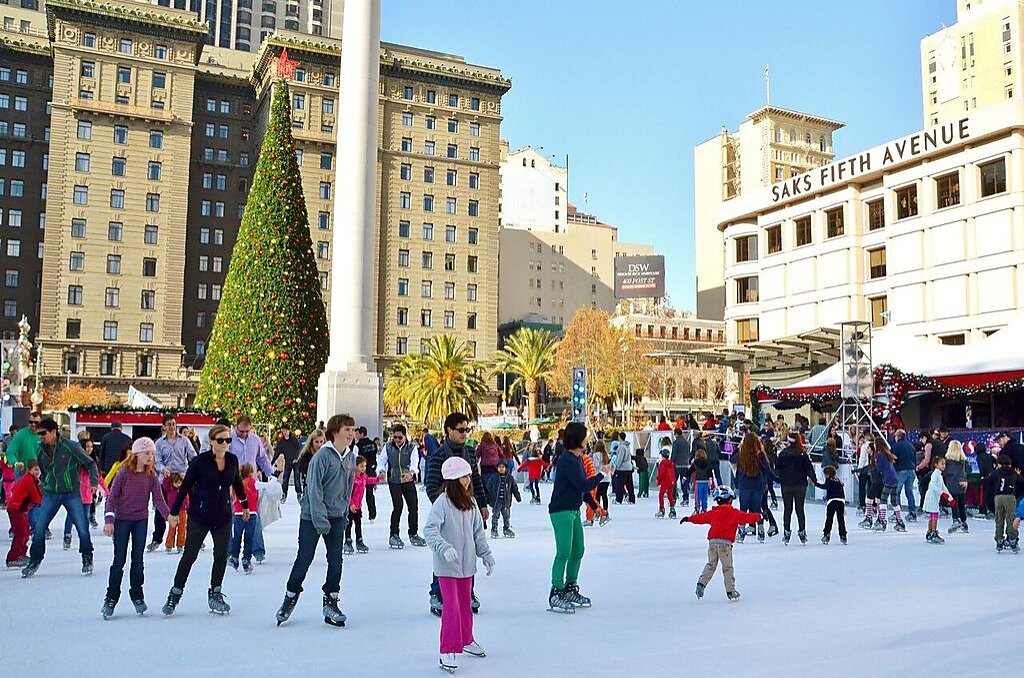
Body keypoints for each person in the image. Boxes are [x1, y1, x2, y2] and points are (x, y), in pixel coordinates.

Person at [275, 414, 356, 627]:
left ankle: (331, 600)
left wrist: (344, 514)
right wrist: (320, 520)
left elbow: (348, 488)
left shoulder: (350, 456)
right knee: (304, 558)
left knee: (336, 561)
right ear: (335, 432)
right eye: (347, 429)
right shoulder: (322, 456)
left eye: (352, 430)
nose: (351, 434)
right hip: (312, 517)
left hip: (337, 516)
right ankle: (290, 596)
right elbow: (314, 490)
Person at [161, 424, 249, 617]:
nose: (225, 443)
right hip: (200, 516)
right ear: (211, 442)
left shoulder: (232, 460)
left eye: (228, 440)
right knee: (189, 555)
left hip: (223, 516)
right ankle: (175, 593)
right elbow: (185, 487)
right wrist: (174, 513)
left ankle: (215, 593)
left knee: (220, 556)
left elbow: (236, 483)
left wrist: (245, 505)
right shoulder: (200, 462)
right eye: (220, 440)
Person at [424, 456, 495, 673]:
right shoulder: (442, 502)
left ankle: (466, 639)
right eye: (464, 476)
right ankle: (448, 649)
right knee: (451, 608)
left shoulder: (471, 502)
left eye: (468, 475)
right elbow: (430, 530)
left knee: (465, 605)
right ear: (454, 478)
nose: (468, 479)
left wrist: (486, 554)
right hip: (447, 567)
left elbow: (477, 532)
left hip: (467, 566)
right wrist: (444, 548)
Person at [424, 413, 489, 617]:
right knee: (445, 553)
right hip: (447, 513)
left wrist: (483, 504)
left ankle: (468, 592)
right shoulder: (438, 456)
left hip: (469, 510)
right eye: (460, 430)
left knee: (468, 548)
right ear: (448, 430)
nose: (464, 433)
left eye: (467, 430)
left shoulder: (469, 452)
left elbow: (475, 480)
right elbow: (431, 486)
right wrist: (445, 506)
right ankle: (437, 593)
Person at [101, 437, 170, 619]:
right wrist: (109, 520)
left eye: (153, 454)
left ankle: (137, 596)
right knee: (119, 560)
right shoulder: (123, 473)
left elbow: (158, 500)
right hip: (122, 520)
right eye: (147, 453)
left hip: (140, 520)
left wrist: (169, 516)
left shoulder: (151, 475)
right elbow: (112, 498)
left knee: (138, 560)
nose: (150, 457)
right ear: (137, 454)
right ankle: (111, 598)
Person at [22, 419, 99, 578]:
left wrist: (93, 482)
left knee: (82, 527)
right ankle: (35, 559)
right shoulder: (40, 450)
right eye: (39, 434)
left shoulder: (70, 446)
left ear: (53, 432)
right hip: (51, 494)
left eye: (43, 433)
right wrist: (44, 486)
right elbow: (43, 471)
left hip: (71, 493)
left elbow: (90, 464)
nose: (41, 437)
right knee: (39, 527)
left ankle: (87, 557)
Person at [547, 421, 603, 614]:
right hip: (561, 511)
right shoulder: (567, 459)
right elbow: (583, 484)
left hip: (573, 510)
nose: (587, 440)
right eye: (585, 436)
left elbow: (580, 489)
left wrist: (594, 505)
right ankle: (556, 591)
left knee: (578, 550)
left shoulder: (578, 458)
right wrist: (602, 474)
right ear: (578, 439)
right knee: (563, 552)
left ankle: (570, 587)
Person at [680, 486, 760, 602]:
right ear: (729, 500)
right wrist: (760, 516)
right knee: (727, 568)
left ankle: (701, 584)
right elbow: (747, 517)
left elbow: (700, 518)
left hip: (712, 544)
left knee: (711, 565)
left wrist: (688, 518)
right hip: (725, 545)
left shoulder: (713, 513)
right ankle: (730, 591)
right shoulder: (734, 513)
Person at [229, 416, 276, 564]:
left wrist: (271, 475)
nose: (244, 434)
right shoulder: (228, 439)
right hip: (233, 483)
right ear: (236, 427)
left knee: (254, 517)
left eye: (246, 431)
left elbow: (262, 458)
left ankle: (258, 550)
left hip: (251, 485)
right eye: (241, 431)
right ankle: (230, 551)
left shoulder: (254, 440)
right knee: (231, 517)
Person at [151, 414, 196, 552]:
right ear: (164, 426)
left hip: (183, 477)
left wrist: (194, 469)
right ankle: (157, 539)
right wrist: (162, 469)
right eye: (169, 424)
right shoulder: (159, 443)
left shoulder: (184, 440)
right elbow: (157, 461)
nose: (172, 427)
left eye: (174, 424)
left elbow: (192, 455)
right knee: (161, 508)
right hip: (166, 479)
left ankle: (194, 537)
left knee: (190, 508)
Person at [377, 424, 426, 549]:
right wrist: (381, 471)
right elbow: (381, 461)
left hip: (407, 480)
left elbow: (415, 463)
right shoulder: (388, 447)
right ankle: (394, 534)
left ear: (405, 437)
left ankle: (413, 533)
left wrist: (412, 473)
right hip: (394, 480)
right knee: (398, 506)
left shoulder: (411, 448)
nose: (397, 440)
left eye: (400, 437)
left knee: (413, 506)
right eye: (395, 437)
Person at [734, 433, 778, 543]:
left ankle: (741, 532)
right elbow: (767, 470)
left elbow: (733, 461)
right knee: (757, 509)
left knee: (743, 510)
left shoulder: (741, 454)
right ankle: (761, 531)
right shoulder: (760, 455)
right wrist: (778, 479)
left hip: (745, 485)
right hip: (758, 485)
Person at [774, 432, 816, 545]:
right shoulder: (802, 454)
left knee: (787, 510)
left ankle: (786, 532)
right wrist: (814, 479)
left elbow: (777, 471)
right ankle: (802, 531)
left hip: (786, 485)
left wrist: (779, 478)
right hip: (800, 485)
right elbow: (809, 469)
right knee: (800, 509)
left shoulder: (783, 454)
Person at [5, 458, 41, 568]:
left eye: (38, 470)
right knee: (21, 533)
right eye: (35, 470)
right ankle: (13, 557)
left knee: (25, 531)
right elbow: (36, 496)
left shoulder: (29, 479)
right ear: (28, 470)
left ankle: (21, 554)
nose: (37, 472)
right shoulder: (29, 479)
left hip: (20, 508)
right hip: (16, 508)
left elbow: (14, 489)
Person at [228, 463, 260, 575]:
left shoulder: (236, 483)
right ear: (251, 472)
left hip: (238, 513)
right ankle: (246, 559)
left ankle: (234, 557)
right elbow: (268, 486)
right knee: (249, 538)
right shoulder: (254, 482)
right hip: (251, 512)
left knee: (236, 536)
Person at [872, 437, 907, 533]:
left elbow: (879, 469)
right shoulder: (888, 454)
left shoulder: (879, 455)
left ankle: (882, 520)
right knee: (894, 501)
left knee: (883, 499)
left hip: (888, 479)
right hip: (894, 478)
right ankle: (900, 521)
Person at [345, 455, 378, 554]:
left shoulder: (363, 477)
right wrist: (350, 504)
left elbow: (368, 481)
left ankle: (359, 541)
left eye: (365, 466)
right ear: (356, 466)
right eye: (361, 466)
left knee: (358, 524)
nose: (364, 468)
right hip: (350, 506)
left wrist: (377, 479)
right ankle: (347, 541)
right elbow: (347, 493)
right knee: (349, 524)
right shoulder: (352, 478)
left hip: (358, 506)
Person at [987, 454, 1019, 553]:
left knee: (999, 519)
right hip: (1010, 497)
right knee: (1011, 519)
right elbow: (1021, 481)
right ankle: (1013, 539)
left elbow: (987, 481)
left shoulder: (996, 473)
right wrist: (1018, 474)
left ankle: (999, 539)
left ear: (999, 464)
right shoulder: (1013, 473)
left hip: (998, 497)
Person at [922, 456, 954, 544]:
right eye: (942, 464)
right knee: (934, 514)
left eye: (945, 464)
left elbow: (944, 487)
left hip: (934, 497)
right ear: (936, 465)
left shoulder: (939, 475)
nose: (944, 466)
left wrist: (950, 498)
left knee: (933, 514)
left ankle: (930, 532)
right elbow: (932, 485)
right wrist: (942, 493)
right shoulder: (935, 474)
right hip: (932, 496)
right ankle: (933, 533)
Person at [487, 459, 521, 538]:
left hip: (506, 501)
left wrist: (518, 497)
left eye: (503, 467)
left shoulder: (510, 478)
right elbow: (488, 487)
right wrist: (488, 498)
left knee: (506, 516)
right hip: (496, 501)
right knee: (495, 515)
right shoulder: (494, 477)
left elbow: (514, 488)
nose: (501, 469)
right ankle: (494, 529)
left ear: (506, 468)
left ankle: (506, 529)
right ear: (497, 468)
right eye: (499, 467)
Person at [814, 465, 847, 545]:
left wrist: (816, 484)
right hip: (840, 501)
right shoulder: (838, 480)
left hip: (832, 501)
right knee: (841, 519)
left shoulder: (829, 480)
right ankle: (843, 536)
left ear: (828, 474)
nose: (824, 476)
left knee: (829, 519)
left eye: (825, 474)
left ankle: (826, 535)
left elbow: (826, 487)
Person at [943, 440, 969, 534]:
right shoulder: (964, 461)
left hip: (951, 484)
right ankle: (964, 522)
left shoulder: (947, 462)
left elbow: (945, 472)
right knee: (961, 504)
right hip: (961, 484)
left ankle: (955, 519)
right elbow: (968, 471)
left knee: (954, 502)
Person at [892, 429, 918, 522]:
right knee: (909, 492)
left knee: (896, 492)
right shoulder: (911, 446)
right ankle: (912, 512)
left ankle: (896, 514)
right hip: (911, 471)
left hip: (901, 471)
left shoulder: (896, 446)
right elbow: (915, 459)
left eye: (895, 436)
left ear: (898, 436)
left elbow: (893, 459)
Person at [353, 426, 378, 521]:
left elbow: (355, 459)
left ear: (362, 434)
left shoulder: (357, 446)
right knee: (370, 494)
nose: (355, 436)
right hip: (371, 470)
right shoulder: (373, 444)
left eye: (357, 434)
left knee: (357, 493)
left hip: (361, 472)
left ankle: (358, 511)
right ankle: (372, 514)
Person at [272, 426, 302, 504]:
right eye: (283, 431)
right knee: (285, 478)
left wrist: (296, 458)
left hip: (296, 462)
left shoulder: (294, 439)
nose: (284, 432)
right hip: (288, 462)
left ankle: (299, 494)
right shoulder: (282, 441)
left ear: (289, 430)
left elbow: (299, 449)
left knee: (297, 478)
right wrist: (272, 462)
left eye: (286, 431)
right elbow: (277, 452)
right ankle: (284, 494)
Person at [294, 428, 325, 499]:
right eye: (316, 442)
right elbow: (302, 468)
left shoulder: (326, 454)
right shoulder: (306, 454)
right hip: (309, 486)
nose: (319, 444)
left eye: (321, 442)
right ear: (312, 442)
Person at [163, 473, 187, 554]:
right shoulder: (170, 489)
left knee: (182, 529)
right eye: (176, 482)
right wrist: (167, 477)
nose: (178, 484)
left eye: (179, 482)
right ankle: (169, 545)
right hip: (173, 512)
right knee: (172, 529)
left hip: (183, 511)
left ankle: (180, 545)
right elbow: (165, 485)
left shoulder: (184, 489)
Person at [685, 449, 715, 514]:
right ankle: (704, 509)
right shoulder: (707, 462)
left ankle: (697, 509)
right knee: (705, 497)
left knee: (698, 496)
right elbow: (710, 472)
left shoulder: (696, 462)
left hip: (699, 482)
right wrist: (710, 479)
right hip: (706, 482)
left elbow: (690, 471)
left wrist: (685, 476)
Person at [612, 432, 635, 504]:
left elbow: (620, 458)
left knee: (620, 484)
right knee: (629, 485)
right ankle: (632, 499)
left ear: (619, 437)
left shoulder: (621, 447)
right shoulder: (627, 446)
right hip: (629, 467)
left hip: (622, 468)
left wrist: (616, 465)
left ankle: (619, 499)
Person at [671, 428, 692, 507]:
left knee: (673, 482)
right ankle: (686, 498)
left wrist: (671, 462)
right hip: (685, 465)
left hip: (677, 465)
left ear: (676, 434)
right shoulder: (686, 442)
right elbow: (688, 453)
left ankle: (673, 498)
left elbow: (674, 454)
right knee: (684, 482)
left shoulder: (676, 442)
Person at [655, 444, 676, 519]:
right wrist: (673, 480)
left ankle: (661, 509)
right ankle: (672, 509)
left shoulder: (662, 463)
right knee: (670, 495)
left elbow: (661, 473)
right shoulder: (671, 463)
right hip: (671, 482)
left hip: (664, 482)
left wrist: (658, 480)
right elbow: (673, 473)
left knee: (661, 495)